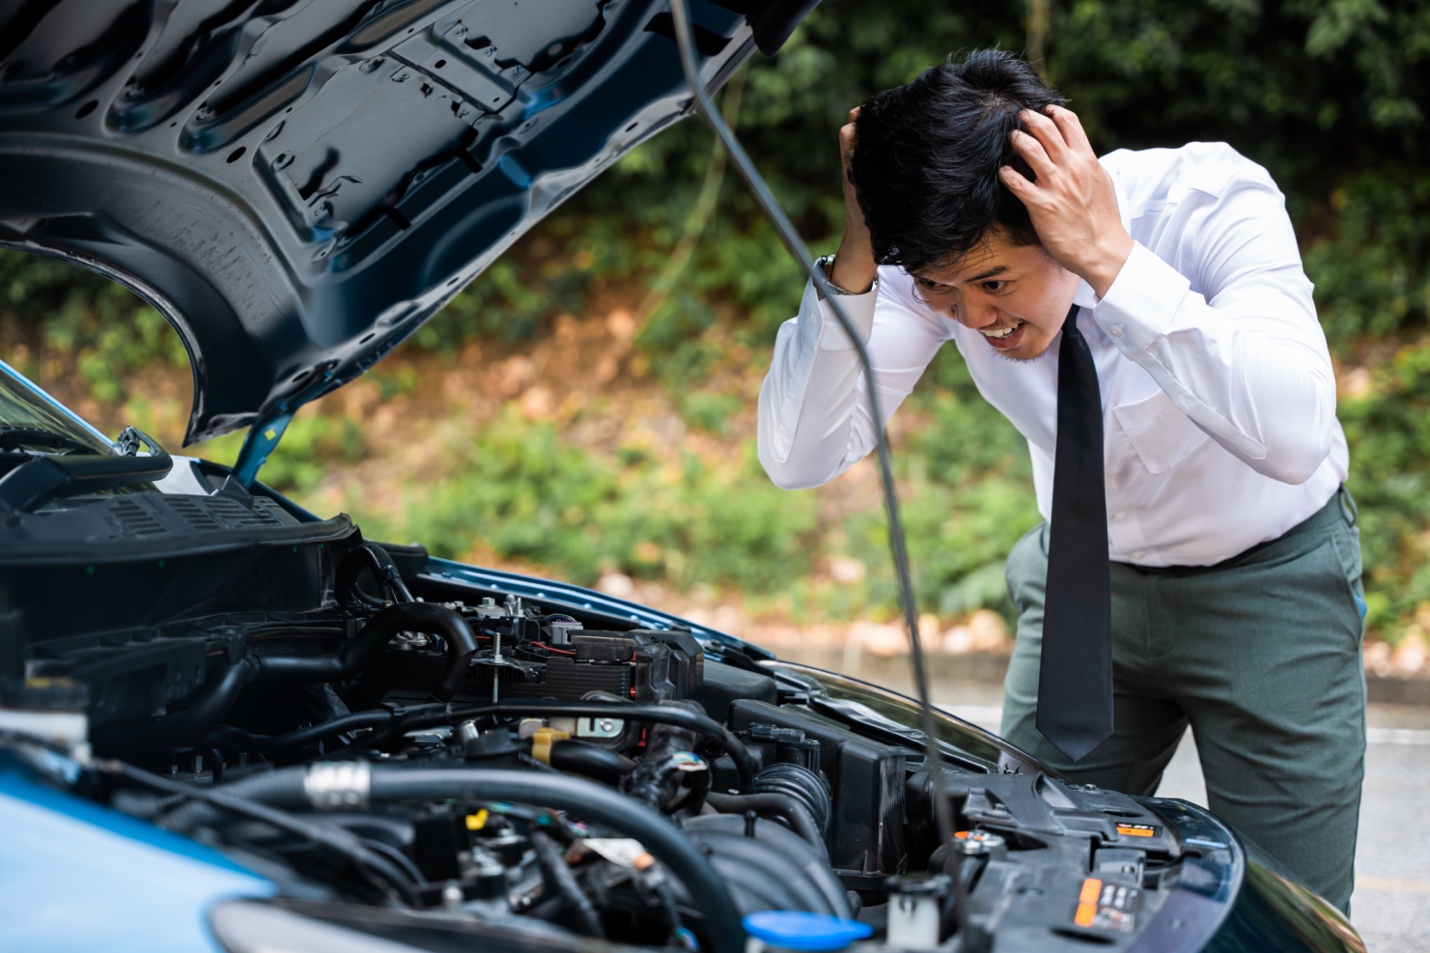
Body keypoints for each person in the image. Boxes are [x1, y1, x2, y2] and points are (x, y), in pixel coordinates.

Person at [756, 50, 1364, 913]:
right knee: (1025, 875)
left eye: (994, 281)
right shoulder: (935, 265)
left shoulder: (1209, 201)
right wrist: (860, 260)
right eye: (940, 289)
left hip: (1270, 587)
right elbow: (798, 455)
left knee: (1290, 909)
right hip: (1082, 593)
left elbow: (1295, 431)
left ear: (1053, 217)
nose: (974, 318)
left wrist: (1115, 266)